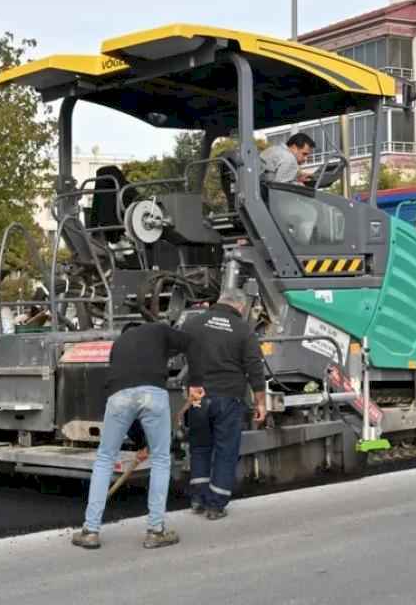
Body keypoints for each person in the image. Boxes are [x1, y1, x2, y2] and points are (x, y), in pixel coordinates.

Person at [72, 321, 194, 551]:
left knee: (104, 459)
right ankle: (155, 531)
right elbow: (191, 343)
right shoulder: (158, 329)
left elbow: (128, 402)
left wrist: (140, 441)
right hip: (153, 393)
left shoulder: (118, 345)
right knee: (160, 459)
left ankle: (90, 530)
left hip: (119, 397)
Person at [181, 289, 266, 521]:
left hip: (197, 395)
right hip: (227, 396)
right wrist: (261, 402)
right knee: (225, 450)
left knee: (199, 447)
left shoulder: (193, 324)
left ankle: (198, 498)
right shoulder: (242, 330)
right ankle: (216, 505)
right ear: (240, 306)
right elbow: (254, 369)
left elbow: (180, 355)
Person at [261, 133, 321, 245]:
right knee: (310, 212)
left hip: (262, 197)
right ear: (294, 147)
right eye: (304, 154)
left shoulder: (273, 150)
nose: (305, 159)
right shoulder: (290, 159)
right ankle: (302, 247)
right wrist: (301, 186)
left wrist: (298, 177)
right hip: (273, 202)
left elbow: (274, 176)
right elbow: (281, 189)